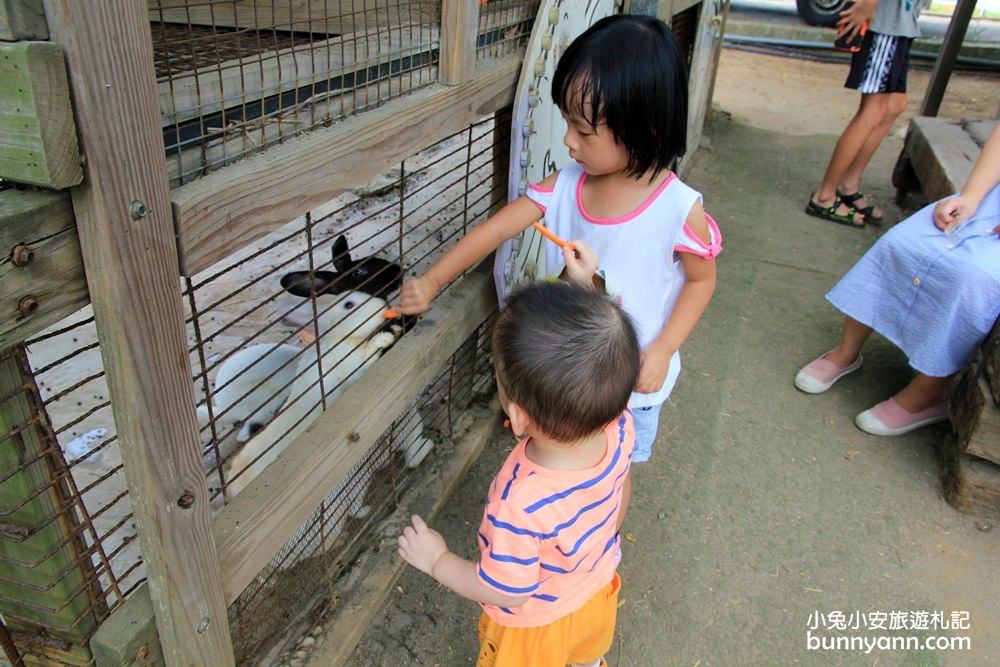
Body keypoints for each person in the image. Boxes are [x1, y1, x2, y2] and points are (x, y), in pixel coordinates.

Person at [397, 14, 722, 463]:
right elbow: (496, 228)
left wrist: (663, 350)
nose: (569, 140)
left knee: (617, 469)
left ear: (644, 129)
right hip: (567, 376)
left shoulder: (679, 210)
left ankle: (601, 531)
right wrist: (432, 282)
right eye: (566, 121)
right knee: (560, 464)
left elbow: (702, 282)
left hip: (634, 379)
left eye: (584, 131)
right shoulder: (568, 184)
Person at [396, 280, 640, 667]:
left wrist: (437, 560)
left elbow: (508, 589)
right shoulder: (620, 427)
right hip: (596, 591)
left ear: (518, 416)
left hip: (535, 629)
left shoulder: (520, 501)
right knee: (585, 656)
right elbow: (621, 489)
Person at [795, 125, 1000, 436]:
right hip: (990, 201)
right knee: (902, 243)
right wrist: (971, 197)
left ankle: (928, 393)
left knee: (971, 277)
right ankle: (847, 350)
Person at [806, 0, 928, 228]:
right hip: (884, 23)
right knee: (874, 109)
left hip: (900, 22)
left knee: (894, 105)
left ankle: (848, 184)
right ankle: (824, 196)